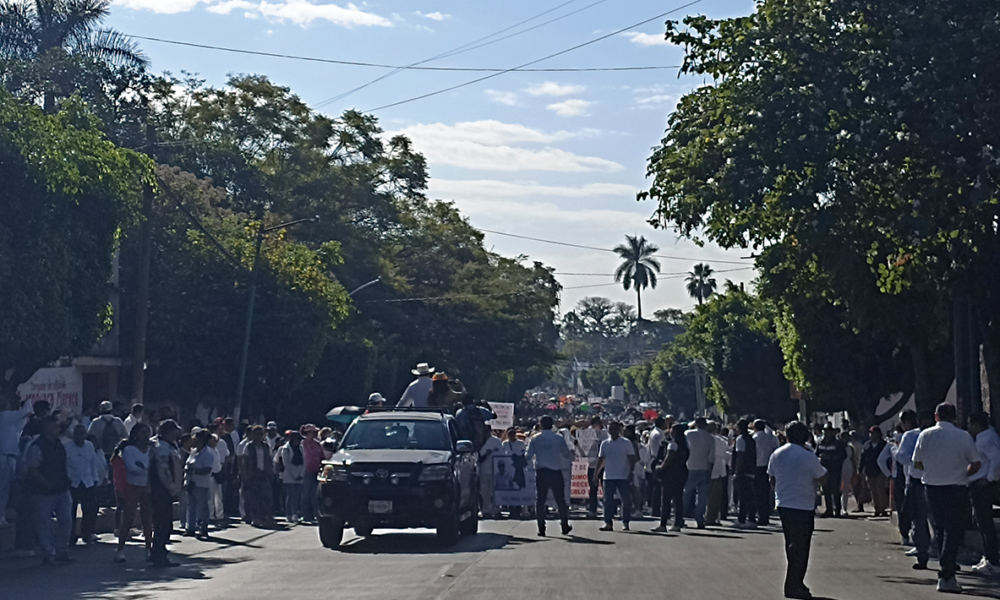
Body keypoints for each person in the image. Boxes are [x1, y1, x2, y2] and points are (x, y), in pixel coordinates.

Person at [912, 402, 982, 593]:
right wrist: (962, 472)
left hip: (932, 487)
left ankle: (946, 567)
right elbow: (976, 463)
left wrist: (933, 470)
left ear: (936, 416)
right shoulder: (963, 436)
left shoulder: (925, 435)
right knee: (953, 530)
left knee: (941, 528)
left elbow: (916, 462)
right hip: (956, 487)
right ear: (954, 417)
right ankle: (946, 572)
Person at [768, 421, 827, 600]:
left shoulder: (777, 454)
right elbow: (823, 478)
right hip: (803, 504)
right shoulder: (808, 456)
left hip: (784, 503)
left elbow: (771, 478)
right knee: (801, 547)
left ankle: (795, 581)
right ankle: (794, 584)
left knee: (791, 545)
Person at [25, 416, 74, 564]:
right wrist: (46, 484)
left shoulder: (59, 444)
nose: (58, 429)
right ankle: (46, 551)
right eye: (54, 426)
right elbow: (33, 470)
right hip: (43, 492)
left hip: (62, 489)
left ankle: (61, 551)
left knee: (66, 520)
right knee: (43, 522)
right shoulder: (36, 446)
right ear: (46, 428)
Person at [525, 416, 573, 536]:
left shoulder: (535, 438)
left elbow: (528, 456)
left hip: (542, 472)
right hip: (555, 471)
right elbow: (567, 454)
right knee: (560, 500)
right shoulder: (558, 438)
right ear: (552, 425)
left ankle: (541, 528)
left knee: (540, 501)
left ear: (540, 425)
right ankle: (564, 525)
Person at [113, 423, 153, 563]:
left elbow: (151, 467)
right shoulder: (129, 450)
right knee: (128, 518)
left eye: (147, 432)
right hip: (132, 487)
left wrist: (143, 468)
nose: (145, 435)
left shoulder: (151, 450)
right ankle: (120, 550)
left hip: (147, 487)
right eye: (142, 432)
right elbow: (131, 468)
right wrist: (146, 469)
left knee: (147, 520)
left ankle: (149, 548)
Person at [966, 412, 1000, 576]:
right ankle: (988, 556)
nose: (968, 428)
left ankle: (992, 560)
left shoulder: (986, 439)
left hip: (982, 486)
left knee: (984, 523)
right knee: (980, 521)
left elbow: (996, 459)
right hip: (977, 484)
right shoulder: (985, 437)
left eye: (970, 424)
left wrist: (989, 478)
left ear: (976, 424)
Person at [149, 420, 183, 567]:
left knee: (164, 523)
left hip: (165, 491)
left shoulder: (168, 446)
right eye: (173, 431)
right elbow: (163, 471)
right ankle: (158, 555)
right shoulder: (161, 448)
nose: (175, 433)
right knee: (162, 524)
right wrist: (171, 487)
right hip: (161, 491)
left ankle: (158, 552)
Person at [594, 422, 637, 532]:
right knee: (607, 500)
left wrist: (631, 473)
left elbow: (632, 459)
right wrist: (596, 474)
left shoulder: (626, 443)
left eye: (614, 429)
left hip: (623, 476)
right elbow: (601, 460)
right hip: (608, 476)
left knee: (626, 500)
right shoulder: (605, 443)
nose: (612, 431)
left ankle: (625, 521)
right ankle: (608, 522)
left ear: (619, 430)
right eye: (610, 429)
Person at [64, 424, 101, 545]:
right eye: (77, 433)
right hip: (72, 482)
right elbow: (64, 466)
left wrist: (95, 480)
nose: (79, 436)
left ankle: (87, 534)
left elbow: (92, 464)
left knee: (89, 511)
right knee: (71, 511)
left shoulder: (89, 446)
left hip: (87, 482)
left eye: (81, 433)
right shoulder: (67, 447)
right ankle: (71, 536)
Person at [0, 393, 33, 527]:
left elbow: (22, 423)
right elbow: (26, 410)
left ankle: (1, 516)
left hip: (10, 457)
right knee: (3, 489)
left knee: (5, 490)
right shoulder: (4, 416)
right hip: (4, 457)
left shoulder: (9, 420)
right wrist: (27, 400)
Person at [653, 422, 689, 532]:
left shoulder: (673, 444)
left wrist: (660, 467)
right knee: (678, 499)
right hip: (682, 472)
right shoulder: (685, 444)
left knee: (666, 499)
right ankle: (677, 523)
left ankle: (663, 524)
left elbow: (669, 458)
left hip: (671, 474)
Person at [683, 417, 715, 529]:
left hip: (689, 466)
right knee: (702, 496)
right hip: (704, 467)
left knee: (686, 492)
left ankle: (681, 515)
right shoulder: (710, 438)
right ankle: (700, 518)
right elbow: (711, 458)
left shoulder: (688, 434)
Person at [239, 425, 273, 527]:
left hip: (264, 474)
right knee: (254, 497)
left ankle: (266, 517)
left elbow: (269, 460)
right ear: (252, 435)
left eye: (260, 434)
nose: (258, 436)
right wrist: (245, 475)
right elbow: (244, 461)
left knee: (266, 496)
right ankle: (255, 517)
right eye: (256, 434)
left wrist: (270, 472)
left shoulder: (266, 446)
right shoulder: (248, 446)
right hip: (252, 475)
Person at [185, 429, 215, 538]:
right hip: (191, 483)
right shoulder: (193, 452)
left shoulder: (208, 454)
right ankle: (190, 528)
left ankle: (203, 528)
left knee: (202, 507)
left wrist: (193, 471)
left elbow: (207, 470)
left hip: (201, 484)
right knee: (191, 506)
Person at [815, 425, 847, 517]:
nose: (826, 433)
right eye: (825, 431)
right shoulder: (820, 442)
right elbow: (815, 454)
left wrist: (831, 458)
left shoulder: (837, 443)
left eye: (828, 431)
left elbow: (843, 456)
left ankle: (837, 510)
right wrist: (820, 458)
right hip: (824, 470)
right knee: (826, 490)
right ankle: (829, 510)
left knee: (835, 491)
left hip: (835, 470)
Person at [274, 431, 306, 524]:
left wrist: (301, 474)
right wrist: (294, 475)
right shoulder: (285, 449)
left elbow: (304, 462)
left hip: (300, 475)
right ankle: (290, 514)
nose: (299, 441)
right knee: (291, 495)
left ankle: (295, 513)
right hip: (288, 476)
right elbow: (286, 463)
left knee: (298, 495)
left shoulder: (301, 448)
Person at [582, 417, 610, 519]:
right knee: (593, 488)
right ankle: (592, 509)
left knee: (606, 488)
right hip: (592, 464)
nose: (594, 427)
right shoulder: (588, 433)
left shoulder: (605, 434)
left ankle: (609, 509)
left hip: (603, 464)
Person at [858, 426, 889, 517]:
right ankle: (877, 509)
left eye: (873, 433)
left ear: (878, 434)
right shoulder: (867, 445)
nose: (871, 435)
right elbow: (862, 458)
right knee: (873, 491)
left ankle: (883, 509)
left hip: (880, 471)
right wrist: (860, 469)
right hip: (869, 471)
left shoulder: (884, 444)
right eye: (870, 433)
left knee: (880, 489)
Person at [753, 420, 779, 526]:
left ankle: (760, 515)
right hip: (768, 467)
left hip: (756, 467)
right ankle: (766, 515)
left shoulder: (754, 438)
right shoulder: (772, 438)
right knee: (767, 492)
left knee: (757, 493)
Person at [705, 422, 731, 526]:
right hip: (718, 469)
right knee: (715, 495)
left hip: (705, 467)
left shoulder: (705, 439)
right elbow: (726, 454)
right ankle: (711, 517)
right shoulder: (722, 441)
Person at [733, 419, 758, 529]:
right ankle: (746, 518)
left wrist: (737, 471)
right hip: (751, 470)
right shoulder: (751, 439)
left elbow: (740, 455)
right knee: (748, 496)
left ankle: (745, 518)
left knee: (743, 496)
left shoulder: (740, 439)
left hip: (743, 471)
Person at [299, 424, 323, 523]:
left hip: (316, 471)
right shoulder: (302, 444)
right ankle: (305, 515)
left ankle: (315, 514)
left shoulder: (317, 444)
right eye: (313, 432)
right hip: (306, 471)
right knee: (305, 494)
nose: (315, 434)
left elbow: (322, 457)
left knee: (315, 494)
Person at [478, 431, 503, 519]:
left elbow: (502, 454)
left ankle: (496, 510)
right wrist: (486, 454)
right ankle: (486, 510)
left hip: (495, 470)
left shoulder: (496, 441)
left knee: (495, 491)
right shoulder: (479, 441)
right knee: (484, 492)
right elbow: (479, 457)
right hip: (483, 470)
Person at [646, 417, 667, 518]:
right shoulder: (659, 434)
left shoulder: (654, 432)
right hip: (657, 459)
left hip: (652, 458)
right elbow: (661, 448)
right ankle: (656, 508)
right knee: (658, 486)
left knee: (654, 486)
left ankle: (655, 507)